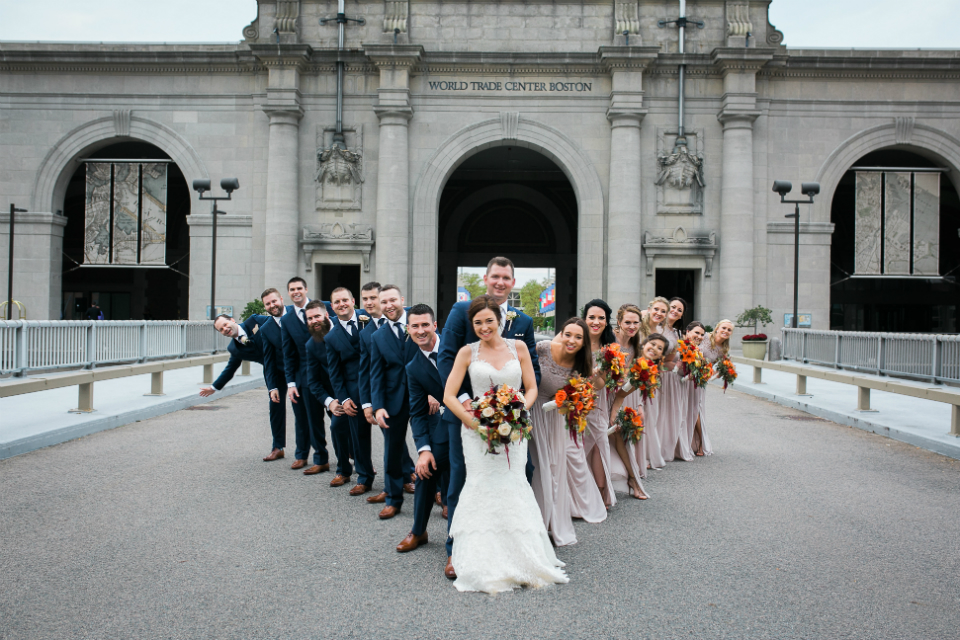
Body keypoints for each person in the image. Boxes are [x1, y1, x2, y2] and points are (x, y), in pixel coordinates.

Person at [442, 296, 567, 593]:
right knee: (481, 487)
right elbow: (449, 395)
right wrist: (475, 424)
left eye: (489, 320)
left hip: (514, 429)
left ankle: (522, 555)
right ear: (472, 325)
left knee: (513, 485)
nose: (484, 327)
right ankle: (479, 558)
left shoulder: (519, 347)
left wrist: (520, 409)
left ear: (500, 320)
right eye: (478, 323)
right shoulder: (466, 353)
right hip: (477, 432)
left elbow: (532, 387)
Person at [437, 256, 540, 581]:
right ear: (486, 278)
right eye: (494, 276)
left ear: (512, 282)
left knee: (516, 476)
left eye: (505, 277)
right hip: (468, 418)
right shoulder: (459, 312)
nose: (499, 282)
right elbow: (447, 358)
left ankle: (510, 545)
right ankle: (455, 548)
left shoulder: (523, 322)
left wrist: (517, 405)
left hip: (512, 420)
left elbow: (532, 371)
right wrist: (470, 407)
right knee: (462, 482)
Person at [530, 317, 595, 546]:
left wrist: (572, 403)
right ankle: (530, 523)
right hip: (531, 410)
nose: (572, 340)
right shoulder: (543, 348)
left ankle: (548, 521)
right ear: (561, 333)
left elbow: (579, 397)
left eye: (578, 337)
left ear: (584, 342)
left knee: (552, 468)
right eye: (568, 334)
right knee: (535, 467)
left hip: (554, 419)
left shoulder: (582, 366)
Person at [396, 304, 450, 553]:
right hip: (449, 422)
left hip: (479, 418)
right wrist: (424, 450)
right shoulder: (413, 368)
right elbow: (416, 412)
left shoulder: (455, 344)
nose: (420, 330)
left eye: (425, 324)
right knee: (426, 468)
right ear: (408, 329)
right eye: (415, 326)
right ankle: (419, 530)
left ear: (435, 325)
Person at [368, 284, 418, 520]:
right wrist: (377, 406)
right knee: (392, 450)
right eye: (384, 302)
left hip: (423, 396)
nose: (388, 306)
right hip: (392, 399)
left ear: (402, 300)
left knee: (436, 445)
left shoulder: (418, 323)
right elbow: (375, 374)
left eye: (392, 300)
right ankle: (393, 498)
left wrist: (434, 394)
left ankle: (440, 493)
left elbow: (435, 356)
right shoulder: (377, 336)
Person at [200, 311, 277, 459]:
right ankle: (277, 447)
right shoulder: (234, 349)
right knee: (275, 407)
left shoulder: (254, 321)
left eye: (225, 325)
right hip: (271, 373)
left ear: (232, 320)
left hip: (290, 364)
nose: (225, 329)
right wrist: (214, 387)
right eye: (221, 330)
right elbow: (230, 369)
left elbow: (278, 325)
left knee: (304, 403)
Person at [324, 286, 376, 494]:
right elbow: (334, 373)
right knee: (359, 437)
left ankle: (404, 473)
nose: (341, 304)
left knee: (393, 432)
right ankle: (364, 478)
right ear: (332, 307)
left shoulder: (371, 319)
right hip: (354, 392)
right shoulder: (331, 337)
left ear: (353, 300)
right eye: (336, 302)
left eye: (344, 300)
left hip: (380, 386)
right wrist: (343, 398)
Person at [280, 278, 332, 474]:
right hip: (305, 376)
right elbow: (288, 352)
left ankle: (353, 455)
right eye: (292, 289)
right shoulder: (286, 320)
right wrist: (291, 382)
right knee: (311, 419)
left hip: (330, 372)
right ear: (288, 293)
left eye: (299, 288)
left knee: (341, 419)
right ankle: (317, 458)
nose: (296, 292)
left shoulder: (324, 307)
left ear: (306, 289)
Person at [609, 333, 668, 499]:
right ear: (644, 344)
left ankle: (632, 479)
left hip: (620, 401)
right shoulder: (629, 355)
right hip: (608, 396)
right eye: (653, 344)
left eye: (659, 349)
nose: (655, 349)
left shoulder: (646, 370)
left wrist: (618, 411)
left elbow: (623, 394)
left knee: (621, 438)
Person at [606, 304, 648, 500]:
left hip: (619, 394)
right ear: (619, 322)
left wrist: (637, 403)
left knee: (618, 434)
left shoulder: (635, 347)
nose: (631, 326)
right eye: (627, 322)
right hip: (600, 391)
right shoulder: (609, 339)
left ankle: (631, 479)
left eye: (635, 323)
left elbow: (632, 380)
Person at [303, 301, 348, 482]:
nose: (314, 320)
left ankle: (364, 465)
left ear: (327, 315)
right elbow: (313, 381)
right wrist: (330, 402)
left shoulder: (345, 328)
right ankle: (343, 470)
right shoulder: (311, 345)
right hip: (335, 393)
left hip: (358, 387)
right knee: (336, 426)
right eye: (310, 318)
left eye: (317, 316)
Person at [581, 299, 617, 508]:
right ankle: (580, 495)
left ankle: (601, 493)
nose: (596, 321)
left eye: (601, 318)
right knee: (577, 448)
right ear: (584, 319)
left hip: (597, 402)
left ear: (606, 321)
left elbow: (602, 383)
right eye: (591, 317)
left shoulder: (609, 349)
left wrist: (593, 376)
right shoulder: (576, 340)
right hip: (574, 402)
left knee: (599, 445)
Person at [659, 297, 694, 463]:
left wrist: (686, 364)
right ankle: (656, 448)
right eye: (673, 307)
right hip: (659, 375)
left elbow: (673, 358)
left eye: (679, 310)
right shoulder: (656, 328)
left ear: (681, 316)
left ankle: (669, 446)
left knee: (672, 413)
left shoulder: (678, 333)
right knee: (659, 413)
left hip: (673, 377)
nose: (675, 311)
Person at [691, 319, 733, 456]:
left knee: (695, 410)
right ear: (717, 328)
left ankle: (701, 444)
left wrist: (714, 375)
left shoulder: (724, 350)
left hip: (700, 380)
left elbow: (723, 368)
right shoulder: (705, 337)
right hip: (688, 375)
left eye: (729, 330)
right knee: (684, 410)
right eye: (724, 328)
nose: (726, 331)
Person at [257, 288, 290, 462]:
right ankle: (278, 447)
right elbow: (268, 360)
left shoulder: (297, 313)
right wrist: (272, 387)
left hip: (303, 369)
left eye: (274, 301)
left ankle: (349, 449)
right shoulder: (266, 328)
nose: (272, 305)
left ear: (281, 299)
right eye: (268, 304)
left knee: (326, 406)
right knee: (275, 405)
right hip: (281, 372)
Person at [639, 297, 669, 470]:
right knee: (639, 414)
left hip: (653, 376)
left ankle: (647, 454)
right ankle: (637, 454)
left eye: (663, 311)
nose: (659, 313)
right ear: (649, 308)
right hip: (635, 374)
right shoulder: (638, 327)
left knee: (651, 415)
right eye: (656, 309)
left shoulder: (661, 331)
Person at [681, 321, 707, 457]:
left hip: (693, 384)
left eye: (702, 334)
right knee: (682, 413)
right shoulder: (681, 346)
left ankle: (701, 443)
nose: (699, 336)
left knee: (694, 412)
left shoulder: (698, 350)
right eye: (696, 332)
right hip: (680, 382)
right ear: (687, 331)